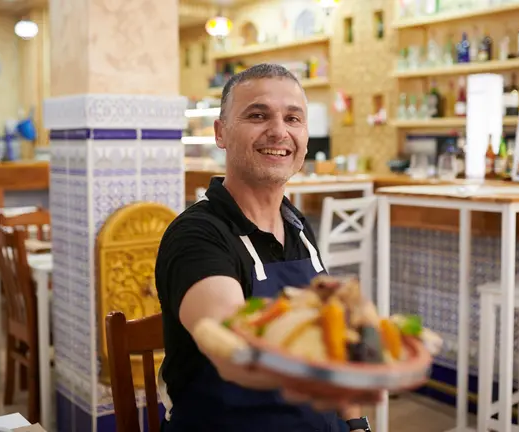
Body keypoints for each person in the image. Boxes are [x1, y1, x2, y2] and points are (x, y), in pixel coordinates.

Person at [155, 63, 377, 432]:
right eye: (258, 115)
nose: (279, 131)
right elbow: (237, 353)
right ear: (220, 133)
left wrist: (359, 426)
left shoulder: (299, 227)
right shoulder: (197, 235)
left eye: (294, 118)